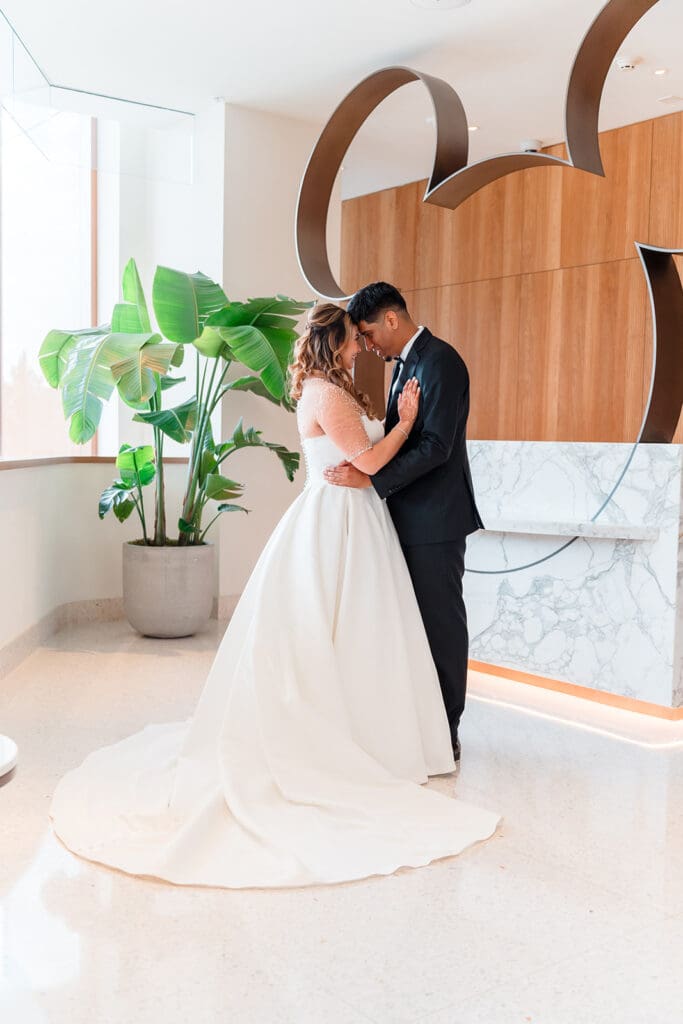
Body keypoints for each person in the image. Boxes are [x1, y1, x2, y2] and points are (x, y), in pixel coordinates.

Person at [50, 302, 498, 890]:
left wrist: (391, 440)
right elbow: (366, 460)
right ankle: (358, 736)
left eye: (366, 337)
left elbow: (377, 460)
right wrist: (403, 427)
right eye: (354, 340)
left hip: (363, 521)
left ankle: (408, 728)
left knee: (368, 634)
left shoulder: (366, 382)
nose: (362, 347)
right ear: (335, 342)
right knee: (336, 633)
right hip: (339, 521)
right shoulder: (328, 396)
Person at [325, 283, 483, 763]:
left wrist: (372, 481)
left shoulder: (442, 361)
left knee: (440, 625)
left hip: (436, 521)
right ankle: (422, 727)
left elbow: (435, 446)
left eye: (370, 334)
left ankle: (448, 728)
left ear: (391, 320)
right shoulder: (406, 367)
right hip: (405, 518)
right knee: (409, 628)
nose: (368, 345)